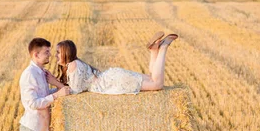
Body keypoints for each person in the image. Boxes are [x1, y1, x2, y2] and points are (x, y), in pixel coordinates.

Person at [46, 31, 178, 94]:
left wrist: (54, 83)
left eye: (58, 52)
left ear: (66, 53)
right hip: (113, 77)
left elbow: (74, 91)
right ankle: (154, 51)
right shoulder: (75, 64)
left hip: (114, 81)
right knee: (151, 78)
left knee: (157, 84)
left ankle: (164, 47)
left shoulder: (73, 65)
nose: (55, 55)